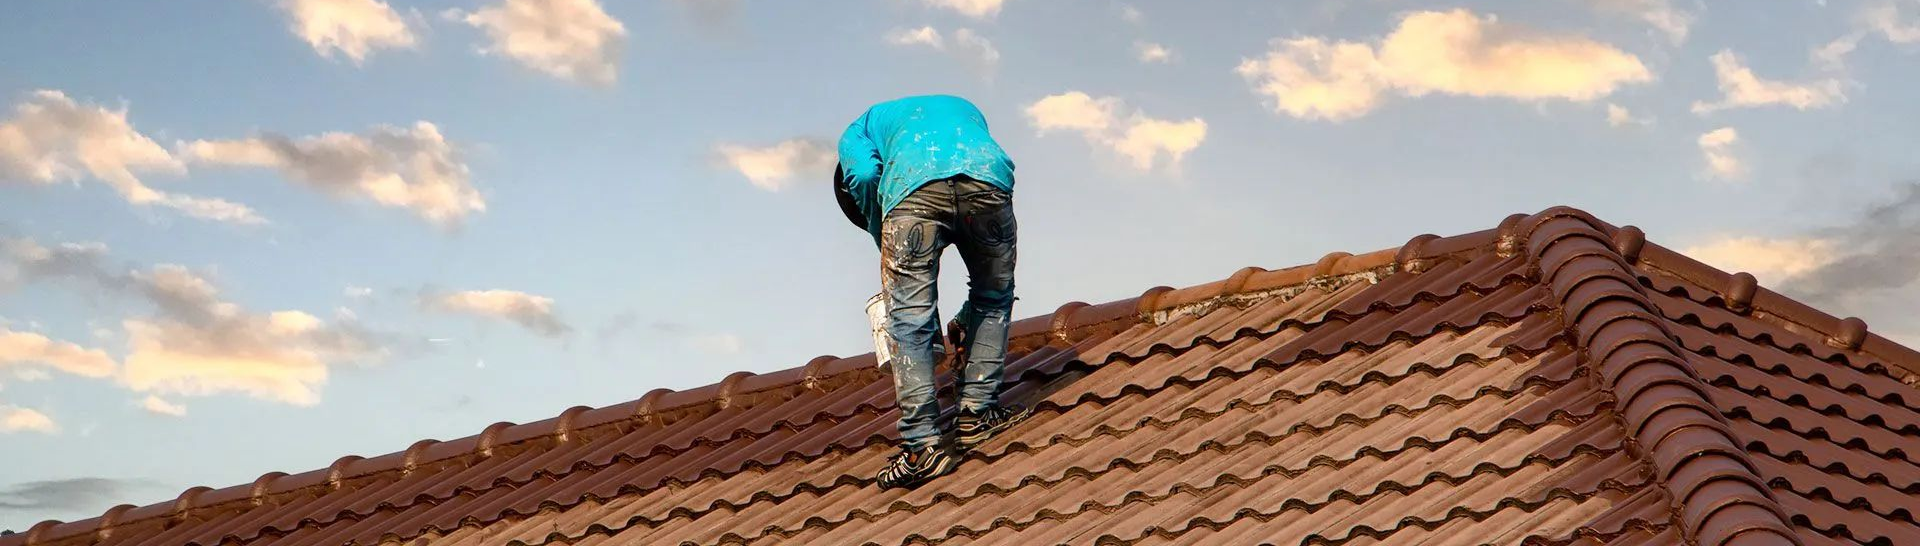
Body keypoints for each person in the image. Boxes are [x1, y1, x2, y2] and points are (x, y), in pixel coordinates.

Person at [833, 94, 1029, 489]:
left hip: (911, 194)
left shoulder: (856, 131)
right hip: (987, 182)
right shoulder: (962, 106)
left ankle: (921, 448)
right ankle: (977, 413)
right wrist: (963, 319)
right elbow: (958, 174)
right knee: (993, 296)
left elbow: (867, 178)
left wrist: (882, 230)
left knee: (909, 319)